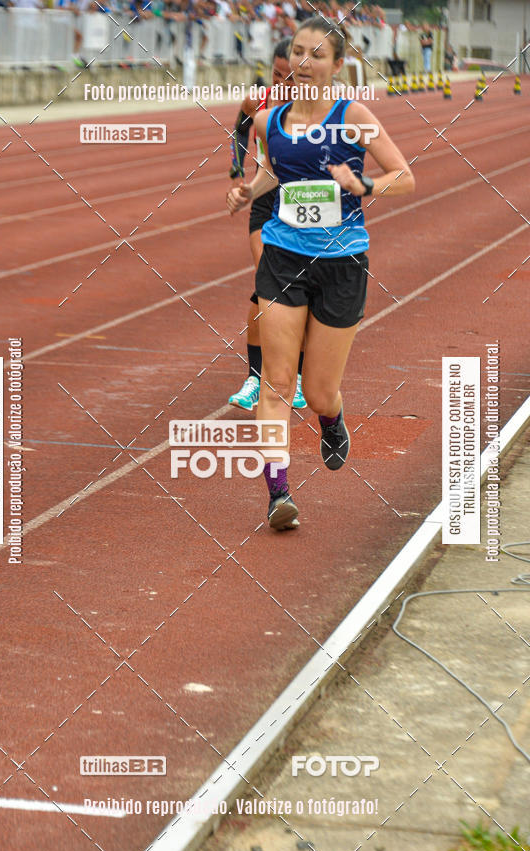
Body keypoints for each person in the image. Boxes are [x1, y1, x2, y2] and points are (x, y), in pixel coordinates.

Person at [227, 15, 415, 529]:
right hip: (283, 258)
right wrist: (248, 190)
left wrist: (364, 185)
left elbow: (405, 175)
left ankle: (331, 421)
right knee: (276, 383)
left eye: (317, 54)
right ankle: (278, 494)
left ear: (337, 64)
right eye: (298, 52)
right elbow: (273, 172)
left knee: (318, 392)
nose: (304, 63)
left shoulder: (352, 115)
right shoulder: (272, 119)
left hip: (342, 264)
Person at [228, 38, 307, 412]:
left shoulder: (320, 111)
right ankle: (255, 379)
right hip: (265, 200)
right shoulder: (258, 102)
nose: (282, 82)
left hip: (304, 205)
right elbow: (240, 127)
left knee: (300, 291)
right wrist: (238, 164)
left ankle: (300, 378)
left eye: (289, 76)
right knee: (266, 285)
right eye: (277, 74)